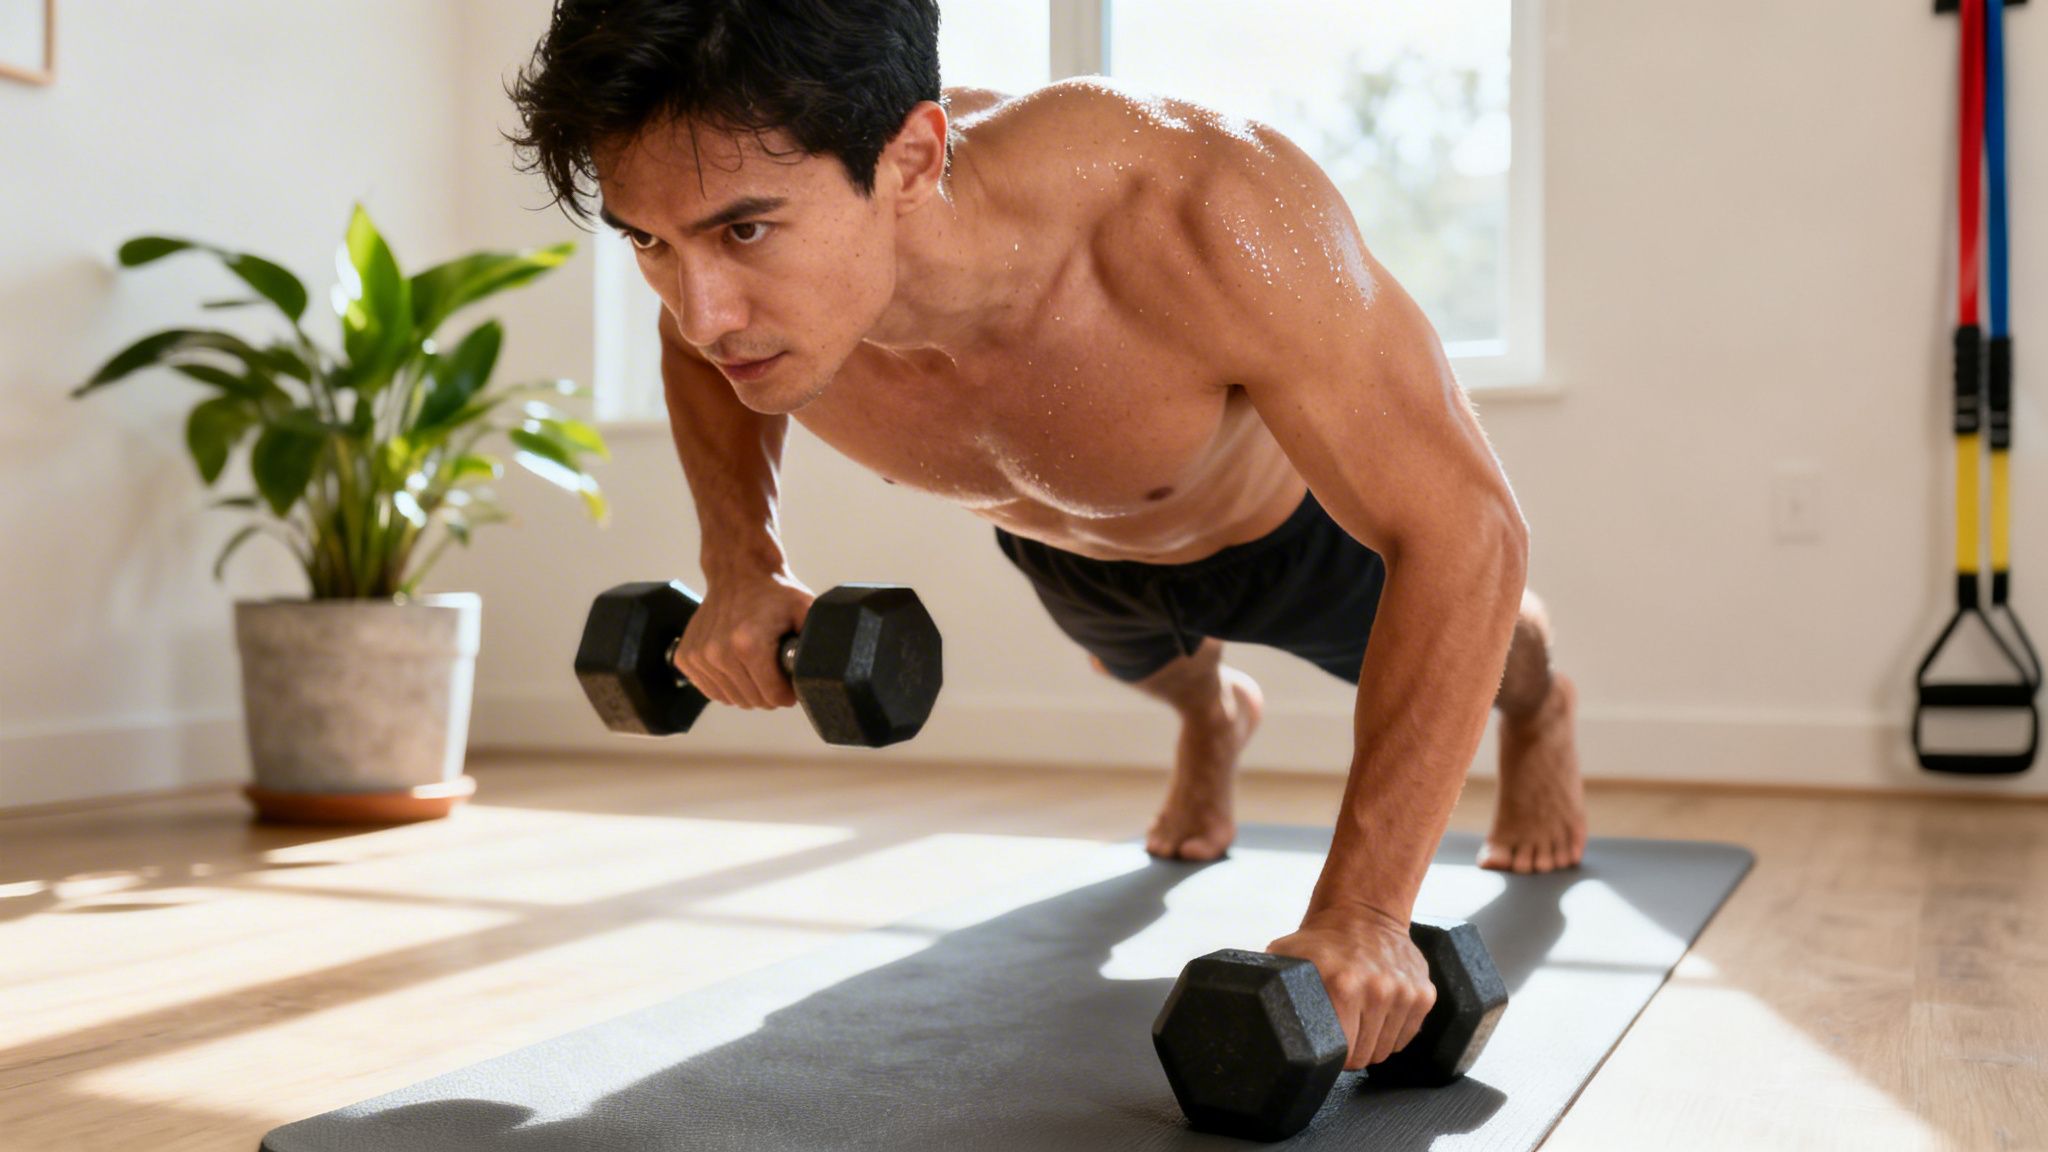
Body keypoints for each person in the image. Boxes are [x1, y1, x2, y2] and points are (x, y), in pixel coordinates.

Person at [510, 0, 1585, 1073]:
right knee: (1144, 668)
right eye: (648, 241)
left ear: (912, 159)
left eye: (744, 229)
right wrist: (742, 564)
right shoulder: (733, 305)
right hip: (1061, 543)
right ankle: (1213, 718)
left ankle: (1544, 716)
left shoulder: (1198, 211)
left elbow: (1467, 531)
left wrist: (1364, 911)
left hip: (1283, 537)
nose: (702, 312)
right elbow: (687, 351)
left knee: (1504, 663)